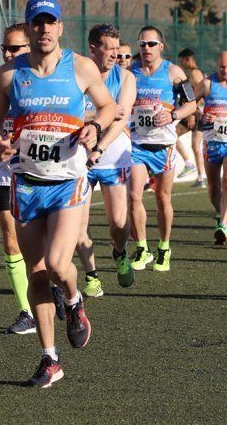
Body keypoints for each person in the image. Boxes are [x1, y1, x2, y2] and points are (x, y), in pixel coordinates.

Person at [0, 0, 116, 387]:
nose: (43, 29)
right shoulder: (9, 76)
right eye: (36, 23)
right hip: (26, 182)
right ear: (27, 30)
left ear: (61, 28)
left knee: (59, 265)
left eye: (50, 22)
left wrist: (94, 127)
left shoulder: (81, 67)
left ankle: (74, 301)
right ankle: (50, 358)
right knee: (37, 272)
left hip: (67, 181)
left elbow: (108, 108)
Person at [127, 26, 198, 273]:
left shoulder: (173, 72)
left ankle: (164, 247)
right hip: (137, 145)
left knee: (162, 198)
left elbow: (191, 104)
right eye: (142, 44)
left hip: (164, 145)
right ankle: (142, 247)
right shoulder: (130, 73)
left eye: (151, 44)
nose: (146, 48)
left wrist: (173, 115)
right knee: (134, 195)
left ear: (161, 47)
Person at [75, 23, 136, 297]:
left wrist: (98, 147)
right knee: (78, 226)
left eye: (117, 48)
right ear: (93, 49)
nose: (115, 54)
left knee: (119, 224)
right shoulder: (76, 75)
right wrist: (99, 115)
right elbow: (71, 115)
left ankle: (120, 252)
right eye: (108, 48)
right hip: (78, 158)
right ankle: (91, 274)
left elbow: (120, 119)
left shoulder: (125, 78)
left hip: (110, 157)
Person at [0, 23, 36, 334]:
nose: (8, 53)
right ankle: (26, 311)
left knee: (44, 247)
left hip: (45, 171)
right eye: (5, 47)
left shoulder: (49, 76)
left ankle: (62, 292)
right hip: (8, 169)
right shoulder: (3, 77)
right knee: (10, 239)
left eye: (15, 48)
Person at [198, 51, 227, 244]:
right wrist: (200, 115)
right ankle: (220, 212)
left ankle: (223, 224)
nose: (225, 70)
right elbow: (187, 101)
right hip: (211, 143)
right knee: (214, 186)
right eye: (222, 67)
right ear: (217, 66)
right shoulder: (207, 84)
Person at [176, 49, 206, 186]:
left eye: (182, 61)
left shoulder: (195, 73)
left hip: (196, 112)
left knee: (172, 135)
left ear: (187, 59)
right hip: (196, 112)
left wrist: (192, 114)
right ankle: (200, 177)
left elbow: (199, 96)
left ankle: (190, 164)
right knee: (195, 146)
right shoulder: (195, 73)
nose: (181, 64)